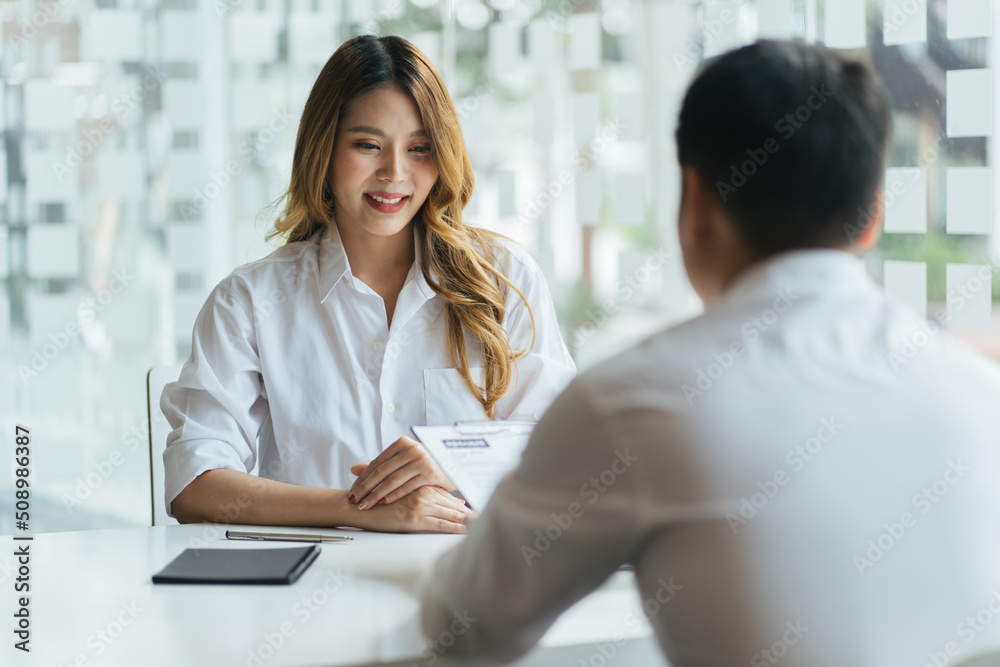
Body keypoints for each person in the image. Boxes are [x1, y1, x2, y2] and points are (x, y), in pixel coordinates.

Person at [418, 40, 1000, 664]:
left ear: (695, 204)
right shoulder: (978, 391)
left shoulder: (633, 401)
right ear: (872, 218)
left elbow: (467, 624)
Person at [161, 35, 575, 533]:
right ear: (324, 151)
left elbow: (566, 450)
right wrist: (357, 508)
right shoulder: (250, 301)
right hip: (307, 588)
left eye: (419, 148)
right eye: (367, 145)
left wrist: (457, 463)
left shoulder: (505, 280)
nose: (394, 173)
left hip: (467, 586)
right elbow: (194, 484)